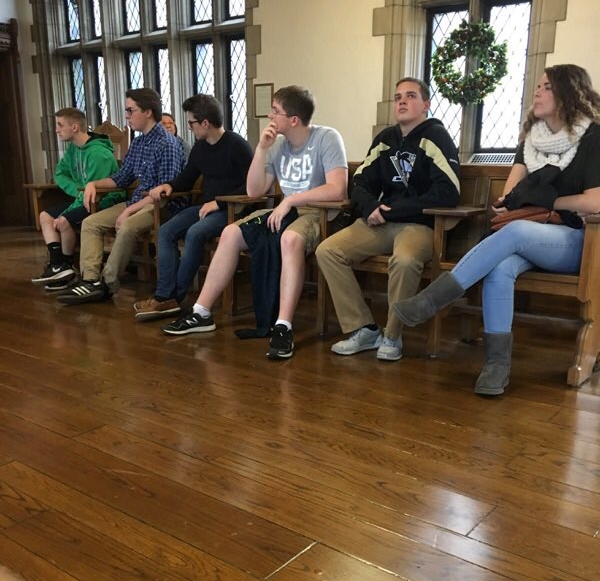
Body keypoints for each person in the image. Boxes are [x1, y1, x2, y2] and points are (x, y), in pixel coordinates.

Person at [392, 64, 600, 395]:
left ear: (568, 93)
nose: (538, 92)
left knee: (515, 233)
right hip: (530, 231)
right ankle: (496, 365)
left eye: (546, 87)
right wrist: (506, 202)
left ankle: (434, 299)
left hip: (577, 239)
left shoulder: (591, 137)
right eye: (538, 86)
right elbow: (512, 194)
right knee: (500, 267)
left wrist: (550, 200)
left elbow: (593, 202)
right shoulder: (532, 139)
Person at [162, 85, 348, 359]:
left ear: (293, 119)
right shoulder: (278, 146)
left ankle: (283, 326)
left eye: (275, 112)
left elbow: (337, 189)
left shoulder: (327, 138)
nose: (271, 117)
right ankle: (202, 312)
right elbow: (254, 191)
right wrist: (261, 149)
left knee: (290, 239)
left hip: (318, 214)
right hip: (286, 211)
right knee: (230, 233)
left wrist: (290, 201)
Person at [315, 77, 460, 362]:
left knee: (404, 260)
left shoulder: (436, 137)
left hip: (419, 225)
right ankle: (364, 328)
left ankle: (392, 335)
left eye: (410, 96)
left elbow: (448, 192)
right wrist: (369, 206)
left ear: (426, 104)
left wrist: (394, 211)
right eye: (397, 97)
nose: (402, 101)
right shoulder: (385, 140)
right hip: (380, 221)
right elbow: (359, 181)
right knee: (328, 251)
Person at [57, 88, 186, 304]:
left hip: (161, 207)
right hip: (137, 202)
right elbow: (121, 178)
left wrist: (128, 210)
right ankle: (90, 282)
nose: (126, 115)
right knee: (90, 223)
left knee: (127, 226)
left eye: (130, 110)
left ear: (147, 112)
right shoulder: (138, 142)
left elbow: (164, 193)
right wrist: (93, 184)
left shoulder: (167, 143)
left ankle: (107, 283)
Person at [133, 94, 253, 320]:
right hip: (206, 207)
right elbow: (187, 178)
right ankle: (164, 296)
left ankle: (174, 298)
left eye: (191, 123)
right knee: (166, 231)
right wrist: (168, 185)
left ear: (205, 123)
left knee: (194, 233)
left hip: (233, 209)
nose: (189, 128)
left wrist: (219, 202)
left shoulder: (237, 145)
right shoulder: (200, 147)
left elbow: (253, 186)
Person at [31, 108, 122, 289]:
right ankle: (58, 266)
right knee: (45, 217)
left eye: (60, 125)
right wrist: (77, 191)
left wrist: (73, 205)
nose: (56, 130)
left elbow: (96, 192)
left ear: (74, 127)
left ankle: (67, 268)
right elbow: (60, 173)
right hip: (82, 198)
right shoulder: (74, 149)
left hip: (104, 201)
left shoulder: (98, 154)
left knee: (63, 221)